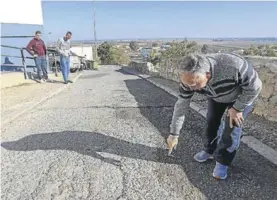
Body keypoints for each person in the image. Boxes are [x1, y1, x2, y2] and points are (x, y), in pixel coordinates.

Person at [167, 53, 262, 180]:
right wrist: (174, 134)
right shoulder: (188, 80)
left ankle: (222, 161)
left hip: (240, 98)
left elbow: (255, 87)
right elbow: (181, 106)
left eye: (194, 84)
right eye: (187, 84)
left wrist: (237, 108)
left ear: (207, 75)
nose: (190, 88)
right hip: (216, 96)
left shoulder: (234, 65)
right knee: (211, 121)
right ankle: (209, 150)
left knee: (231, 129)